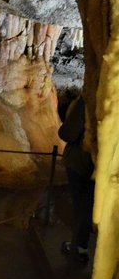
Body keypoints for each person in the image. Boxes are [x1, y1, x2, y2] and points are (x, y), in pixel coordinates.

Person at [58, 95, 94, 264]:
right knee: (89, 204)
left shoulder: (88, 100)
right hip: (102, 164)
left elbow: (68, 134)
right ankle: (82, 244)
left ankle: (79, 246)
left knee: (81, 206)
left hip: (80, 162)